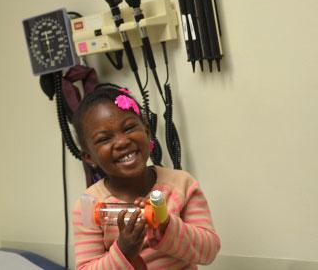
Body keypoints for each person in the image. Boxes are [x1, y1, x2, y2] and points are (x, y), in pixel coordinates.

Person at [71, 84, 220, 269]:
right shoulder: (89, 205)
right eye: (104, 139)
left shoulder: (182, 185)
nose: (122, 142)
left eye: (129, 128)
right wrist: (124, 250)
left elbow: (208, 252)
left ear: (147, 132)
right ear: (88, 157)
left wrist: (166, 226)